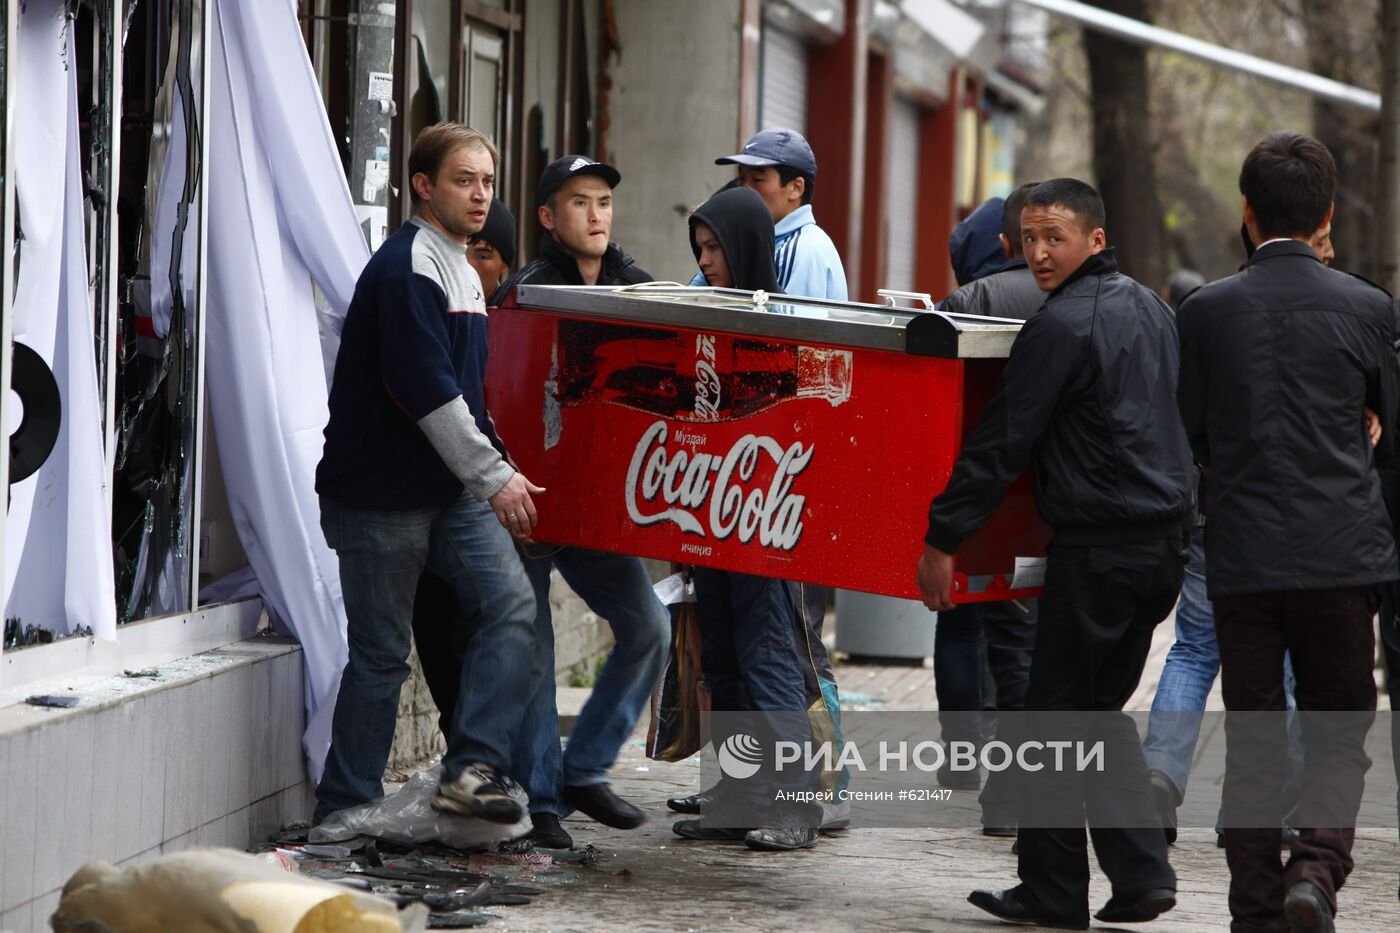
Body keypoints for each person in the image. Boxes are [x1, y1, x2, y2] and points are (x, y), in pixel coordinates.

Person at [918, 178, 1192, 929]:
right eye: (1031, 237)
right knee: (1092, 714)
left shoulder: (1059, 325)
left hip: (1102, 551)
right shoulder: (1151, 307)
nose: (1040, 252)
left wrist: (943, 538)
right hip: (1160, 545)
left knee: (1047, 723)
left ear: (1095, 240)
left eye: (1056, 236)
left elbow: (1001, 442)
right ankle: (1140, 875)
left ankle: (1054, 891)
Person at [1177, 132, 1399, 933]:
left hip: (1242, 558)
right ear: (1327, 215)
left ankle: (1255, 911)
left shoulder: (1202, 312)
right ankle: (1315, 867)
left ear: (1245, 210)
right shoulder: (1370, 307)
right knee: (1342, 732)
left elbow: (1192, 430)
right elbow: (1390, 429)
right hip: (1342, 555)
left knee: (1254, 739)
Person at [312, 122, 543, 826]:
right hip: (380, 497)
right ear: (422, 184)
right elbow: (427, 394)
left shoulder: (464, 268)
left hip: (447, 492)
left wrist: (500, 469)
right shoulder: (406, 265)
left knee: (511, 607)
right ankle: (342, 811)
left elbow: (468, 395)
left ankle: (471, 768)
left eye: (487, 182)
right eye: (462, 180)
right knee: (381, 658)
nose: (479, 196)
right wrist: (495, 478)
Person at [475, 154, 670, 849]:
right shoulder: (524, 293)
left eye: (604, 203)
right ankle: (545, 800)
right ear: (549, 218)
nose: (596, 214)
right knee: (535, 650)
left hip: (596, 508)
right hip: (526, 502)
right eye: (580, 202)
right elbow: (497, 399)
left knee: (650, 626)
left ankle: (586, 767)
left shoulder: (639, 288)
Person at [670, 185, 823, 852]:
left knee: (769, 660)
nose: (706, 261)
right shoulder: (703, 313)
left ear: (748, 247)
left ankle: (795, 806)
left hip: (764, 520)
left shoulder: (783, 324)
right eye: (700, 249)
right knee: (724, 661)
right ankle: (736, 794)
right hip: (712, 513)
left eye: (716, 249)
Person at [927, 185, 1043, 839]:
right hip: (1039, 499)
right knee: (1019, 634)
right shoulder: (1067, 297)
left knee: (960, 618)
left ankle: (961, 757)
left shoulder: (968, 301)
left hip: (971, 485)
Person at [467, 199, 515, 300]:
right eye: (460, 254)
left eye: (482, 257)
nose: (468, 265)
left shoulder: (514, 314)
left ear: (505, 264)